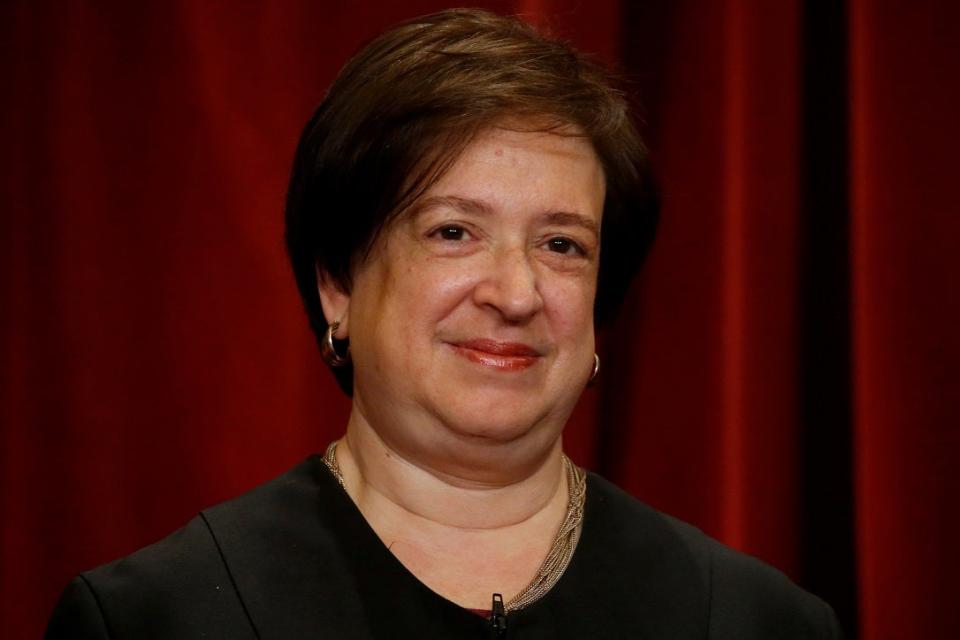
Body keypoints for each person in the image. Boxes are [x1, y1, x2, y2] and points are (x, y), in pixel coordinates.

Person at [46, 9, 841, 639]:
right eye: (453, 231)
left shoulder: (755, 621)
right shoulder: (159, 617)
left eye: (562, 244)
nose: (515, 291)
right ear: (338, 285)